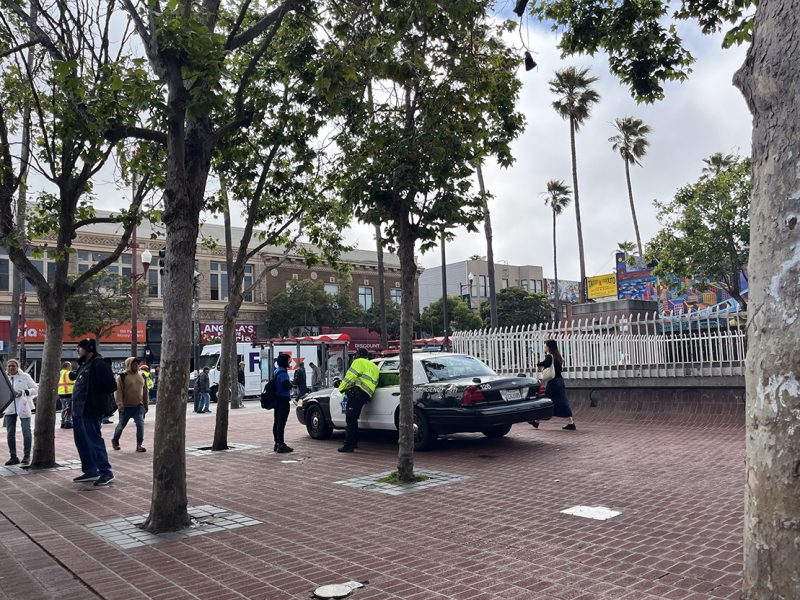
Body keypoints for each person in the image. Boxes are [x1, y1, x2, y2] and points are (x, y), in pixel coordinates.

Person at [70, 338, 116, 486]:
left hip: (91, 410)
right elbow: (80, 388)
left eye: (80, 348)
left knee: (94, 441)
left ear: (88, 349)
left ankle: (105, 472)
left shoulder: (99, 364)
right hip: (79, 410)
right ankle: (90, 470)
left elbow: (110, 385)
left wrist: (94, 398)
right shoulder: (85, 365)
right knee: (82, 442)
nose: (78, 351)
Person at [337, 347, 379, 453]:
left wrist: (341, 388)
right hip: (367, 394)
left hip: (357, 393)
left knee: (350, 419)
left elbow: (350, 377)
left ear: (358, 354)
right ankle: (354, 442)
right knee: (353, 419)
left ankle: (349, 445)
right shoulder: (374, 366)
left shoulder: (358, 362)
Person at [532, 339, 576, 431]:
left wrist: (538, 364)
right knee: (563, 401)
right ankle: (571, 422)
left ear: (549, 347)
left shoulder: (550, 357)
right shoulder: (558, 356)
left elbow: (544, 364)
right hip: (560, 382)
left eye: (545, 346)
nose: (544, 347)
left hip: (553, 384)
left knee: (545, 401)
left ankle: (536, 421)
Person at [4, 359, 38, 466]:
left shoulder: (25, 376)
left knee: (26, 431)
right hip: (9, 408)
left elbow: (36, 389)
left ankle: (26, 456)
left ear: (17, 366)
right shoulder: (4, 378)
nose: (11, 368)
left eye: (13, 366)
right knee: (10, 434)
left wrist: (24, 392)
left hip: (23, 407)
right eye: (9, 366)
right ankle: (13, 457)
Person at [111, 357, 149, 453]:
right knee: (121, 426)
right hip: (126, 407)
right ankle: (115, 440)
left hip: (138, 406)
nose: (136, 366)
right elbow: (117, 392)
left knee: (140, 425)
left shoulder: (141, 376)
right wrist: (120, 405)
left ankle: (139, 445)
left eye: (137, 364)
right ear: (129, 365)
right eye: (134, 364)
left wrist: (146, 404)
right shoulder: (122, 377)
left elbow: (145, 391)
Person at [272, 353, 294, 453]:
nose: (290, 362)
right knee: (281, 423)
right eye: (289, 360)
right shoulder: (283, 373)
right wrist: (291, 384)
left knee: (277, 422)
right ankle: (281, 444)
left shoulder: (276, 371)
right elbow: (286, 386)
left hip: (277, 400)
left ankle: (277, 443)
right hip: (283, 400)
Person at [58, 361, 74, 429]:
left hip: (61, 393)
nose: (71, 367)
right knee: (69, 408)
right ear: (67, 366)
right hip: (68, 393)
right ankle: (68, 422)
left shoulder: (60, 373)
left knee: (63, 408)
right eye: (70, 366)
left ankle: (63, 422)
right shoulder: (69, 373)